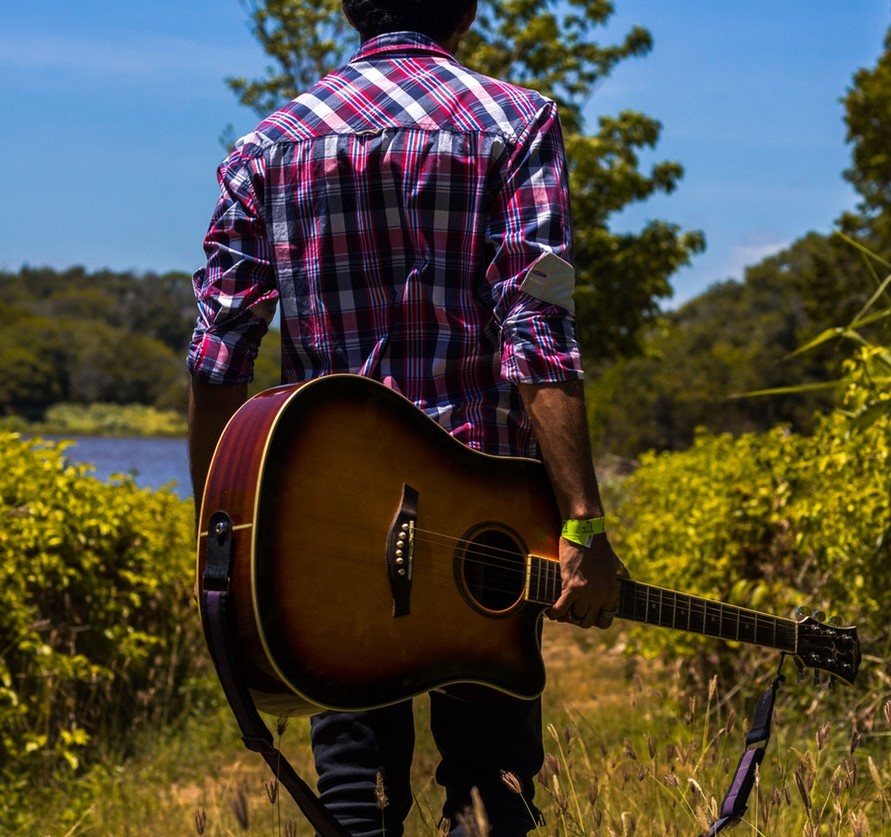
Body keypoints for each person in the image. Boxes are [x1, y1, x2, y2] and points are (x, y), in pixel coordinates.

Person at [187, 0, 627, 833]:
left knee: (355, 794)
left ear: (352, 7)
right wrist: (582, 525)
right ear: (464, 7)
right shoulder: (515, 123)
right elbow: (537, 332)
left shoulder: (265, 146)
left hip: (325, 520)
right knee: (488, 790)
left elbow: (218, 359)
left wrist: (223, 541)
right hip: (483, 523)